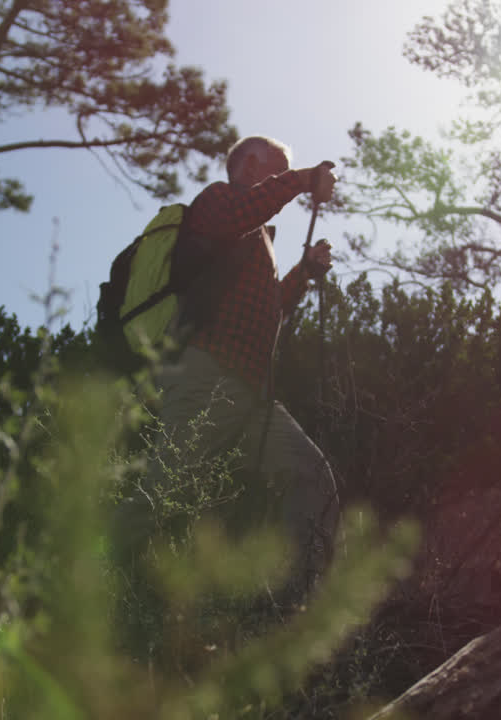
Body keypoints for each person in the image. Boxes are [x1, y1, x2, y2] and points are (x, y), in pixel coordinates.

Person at [146, 135, 341, 601]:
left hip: (254, 393)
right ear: (250, 165)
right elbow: (242, 212)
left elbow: (269, 310)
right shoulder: (217, 202)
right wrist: (303, 179)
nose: (281, 181)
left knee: (312, 474)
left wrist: (303, 272)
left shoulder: (258, 239)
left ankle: (298, 601)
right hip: (206, 372)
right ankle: (94, 585)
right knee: (162, 491)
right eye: (277, 170)